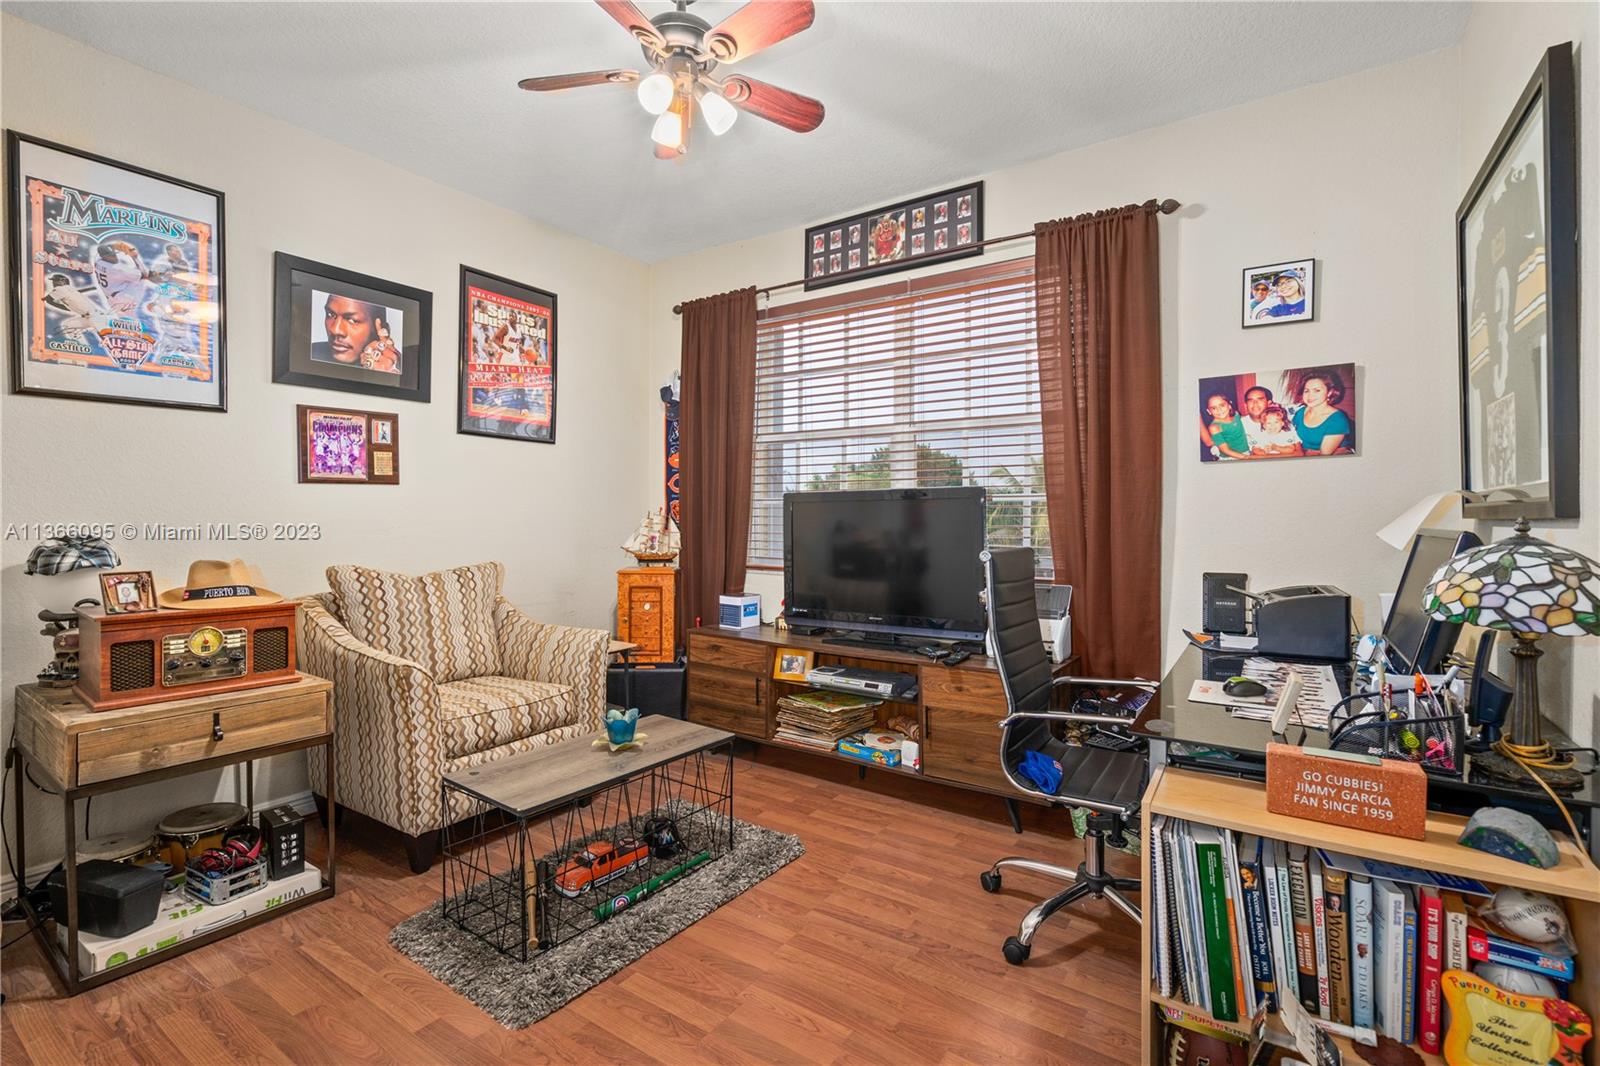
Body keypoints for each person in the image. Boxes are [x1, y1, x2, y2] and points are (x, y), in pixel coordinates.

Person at [1292, 369, 1352, 454]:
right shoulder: (1300, 412)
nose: (1310, 395)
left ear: (1329, 392)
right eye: (1306, 391)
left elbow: (1324, 454)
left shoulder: (1337, 420)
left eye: (1317, 390)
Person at [313, 295, 382, 364]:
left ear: (380, 328)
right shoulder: (313, 352)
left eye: (352, 320)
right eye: (331, 315)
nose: (335, 330)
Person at [1203, 393, 1251, 459]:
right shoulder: (1214, 427)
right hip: (1230, 457)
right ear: (1209, 411)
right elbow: (1225, 451)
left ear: (1229, 405)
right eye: (1214, 408)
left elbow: (1244, 420)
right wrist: (1246, 457)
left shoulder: (1236, 414)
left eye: (1222, 405)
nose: (1219, 410)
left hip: (1246, 451)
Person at [1239, 385, 1273, 450]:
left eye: (1260, 400)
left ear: (1269, 403)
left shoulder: (1281, 422)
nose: (1255, 403)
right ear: (1246, 405)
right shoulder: (1238, 425)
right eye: (1250, 400)